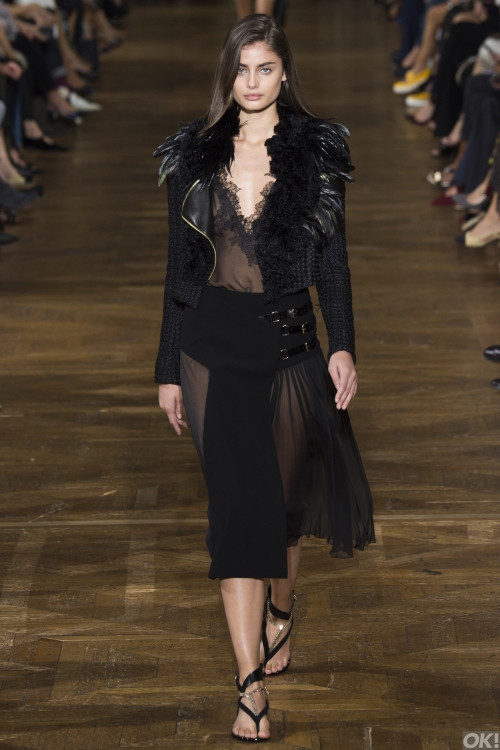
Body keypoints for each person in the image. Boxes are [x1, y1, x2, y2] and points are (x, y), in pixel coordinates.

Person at [154, 14, 374, 742]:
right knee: (238, 514)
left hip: (289, 344)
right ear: (228, 74)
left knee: (282, 508)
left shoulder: (316, 153)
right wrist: (167, 369)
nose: (252, 83)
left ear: (285, 73)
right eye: (241, 69)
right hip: (211, 349)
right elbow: (181, 271)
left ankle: (282, 609)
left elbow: (334, 262)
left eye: (266, 69)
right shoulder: (194, 155)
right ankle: (248, 686)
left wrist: (343, 346)